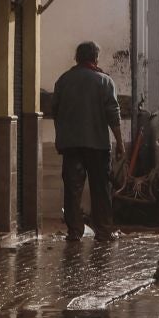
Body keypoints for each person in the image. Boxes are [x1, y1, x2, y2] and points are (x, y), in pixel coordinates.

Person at [52, 41, 124, 243]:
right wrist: (120, 142)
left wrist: (63, 136)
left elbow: (55, 111)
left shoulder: (64, 80)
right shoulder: (104, 82)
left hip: (71, 146)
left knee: (72, 189)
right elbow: (113, 115)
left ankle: (74, 231)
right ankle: (103, 231)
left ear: (77, 58)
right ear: (96, 58)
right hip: (98, 146)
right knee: (100, 189)